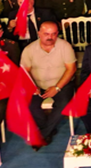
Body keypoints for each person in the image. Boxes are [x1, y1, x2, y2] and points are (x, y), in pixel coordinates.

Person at [22, 21, 77, 151]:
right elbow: (25, 71)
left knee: (62, 105)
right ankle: (48, 130)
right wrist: (32, 86)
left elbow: (71, 69)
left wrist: (57, 88)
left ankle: (42, 134)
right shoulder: (29, 49)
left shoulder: (65, 46)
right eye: (46, 34)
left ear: (57, 34)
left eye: (53, 34)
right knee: (30, 104)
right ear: (39, 34)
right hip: (38, 84)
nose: (50, 37)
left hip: (62, 84)